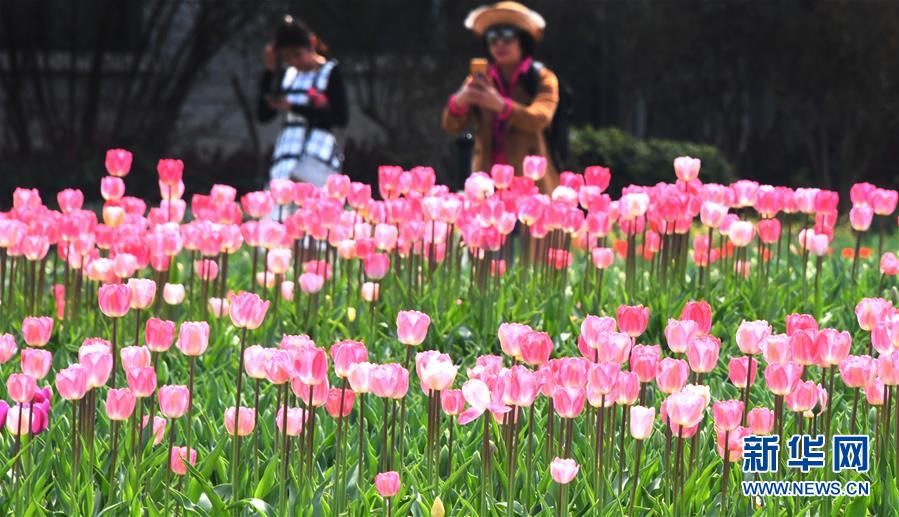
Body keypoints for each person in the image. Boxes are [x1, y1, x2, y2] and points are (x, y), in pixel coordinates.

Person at [442, 1, 560, 193]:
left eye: (507, 37)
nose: (499, 44)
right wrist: (459, 102)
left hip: (529, 183)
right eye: (492, 38)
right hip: (486, 183)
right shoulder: (481, 79)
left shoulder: (542, 78)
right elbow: (450, 125)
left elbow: (540, 118)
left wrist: (502, 106)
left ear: (523, 40)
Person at [258, 15, 348, 187]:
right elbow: (263, 115)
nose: (292, 61)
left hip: (316, 157)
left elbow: (340, 118)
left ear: (311, 44)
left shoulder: (330, 72)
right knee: (279, 208)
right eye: (286, 57)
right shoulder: (288, 76)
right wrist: (269, 70)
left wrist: (296, 107)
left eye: (297, 55)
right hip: (287, 154)